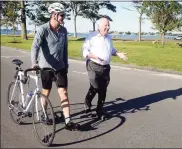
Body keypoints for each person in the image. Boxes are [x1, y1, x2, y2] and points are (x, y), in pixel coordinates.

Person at [31, 2, 80, 130]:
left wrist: (66, 64)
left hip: (60, 67)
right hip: (46, 67)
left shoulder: (63, 30)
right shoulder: (43, 29)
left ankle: (68, 121)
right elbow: (35, 47)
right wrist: (34, 63)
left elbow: (65, 49)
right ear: (54, 15)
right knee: (46, 92)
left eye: (64, 15)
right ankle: (43, 114)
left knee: (63, 92)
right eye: (62, 15)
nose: (63, 17)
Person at [82, 17, 128, 119]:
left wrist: (118, 53)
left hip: (106, 67)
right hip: (93, 65)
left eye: (108, 26)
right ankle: (87, 101)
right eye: (105, 26)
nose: (107, 28)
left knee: (103, 89)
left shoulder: (108, 37)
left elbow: (111, 50)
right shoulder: (91, 36)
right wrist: (94, 56)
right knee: (96, 86)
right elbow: (85, 51)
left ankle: (99, 111)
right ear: (99, 26)